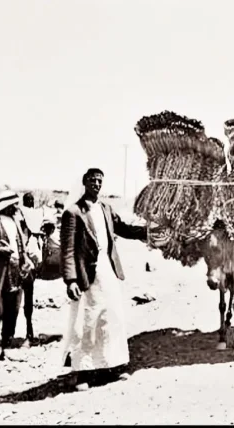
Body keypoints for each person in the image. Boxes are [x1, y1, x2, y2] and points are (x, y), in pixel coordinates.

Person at [60, 168, 147, 391]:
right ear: (84, 182)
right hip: (86, 275)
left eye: (100, 181)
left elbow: (123, 228)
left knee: (112, 317)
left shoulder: (106, 208)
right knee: (87, 321)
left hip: (108, 270)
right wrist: (70, 280)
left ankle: (112, 366)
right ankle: (82, 372)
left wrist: (148, 233)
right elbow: (68, 249)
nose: (97, 184)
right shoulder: (73, 213)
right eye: (92, 180)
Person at [0, 190, 36, 359]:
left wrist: (25, 259)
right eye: (14, 204)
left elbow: (22, 246)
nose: (17, 207)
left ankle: (6, 343)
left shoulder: (15, 222)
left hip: (15, 271)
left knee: (13, 309)